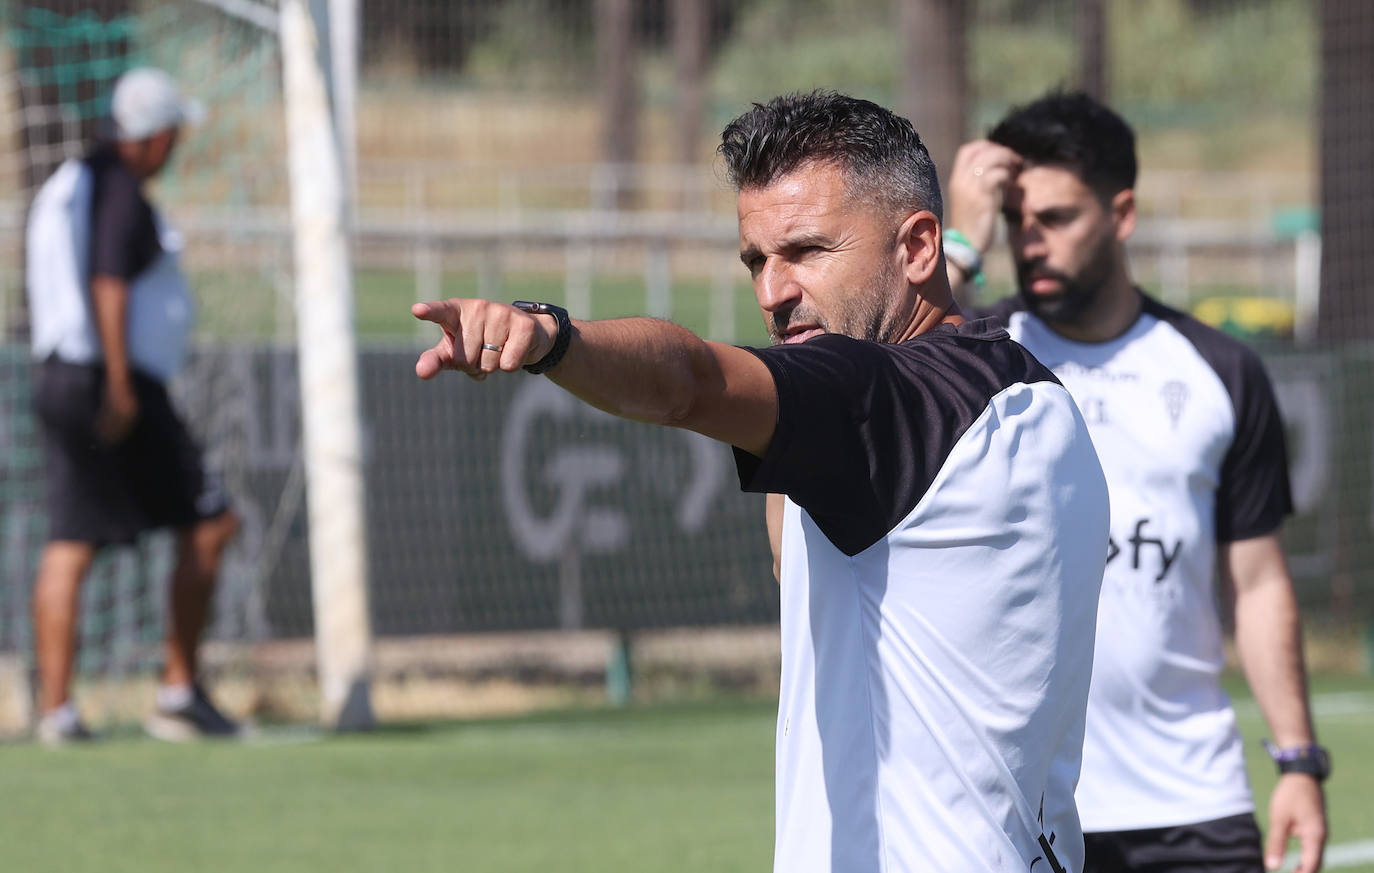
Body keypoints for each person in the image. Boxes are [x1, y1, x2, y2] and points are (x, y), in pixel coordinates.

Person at [414, 90, 1110, 873]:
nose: (773, 292)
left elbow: (689, 383)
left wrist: (551, 338)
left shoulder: (889, 403)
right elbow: (798, 552)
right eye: (756, 261)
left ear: (919, 246)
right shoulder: (1018, 393)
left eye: (807, 251)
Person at [944, 91, 1329, 873]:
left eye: (1055, 218)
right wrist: (957, 242)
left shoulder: (1221, 373)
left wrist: (1297, 760)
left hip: (1192, 802)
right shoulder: (978, 356)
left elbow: (1256, 584)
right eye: (1018, 221)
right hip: (1022, 808)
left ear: (1121, 214)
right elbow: (861, 383)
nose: (1031, 241)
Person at [26, 67, 242, 745]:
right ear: (151, 137)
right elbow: (109, 281)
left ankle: (57, 712)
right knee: (211, 523)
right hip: (111, 384)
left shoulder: (68, 182)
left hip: (60, 375)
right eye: (172, 133)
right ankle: (177, 691)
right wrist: (120, 382)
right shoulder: (118, 187)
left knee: (69, 542)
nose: (175, 147)